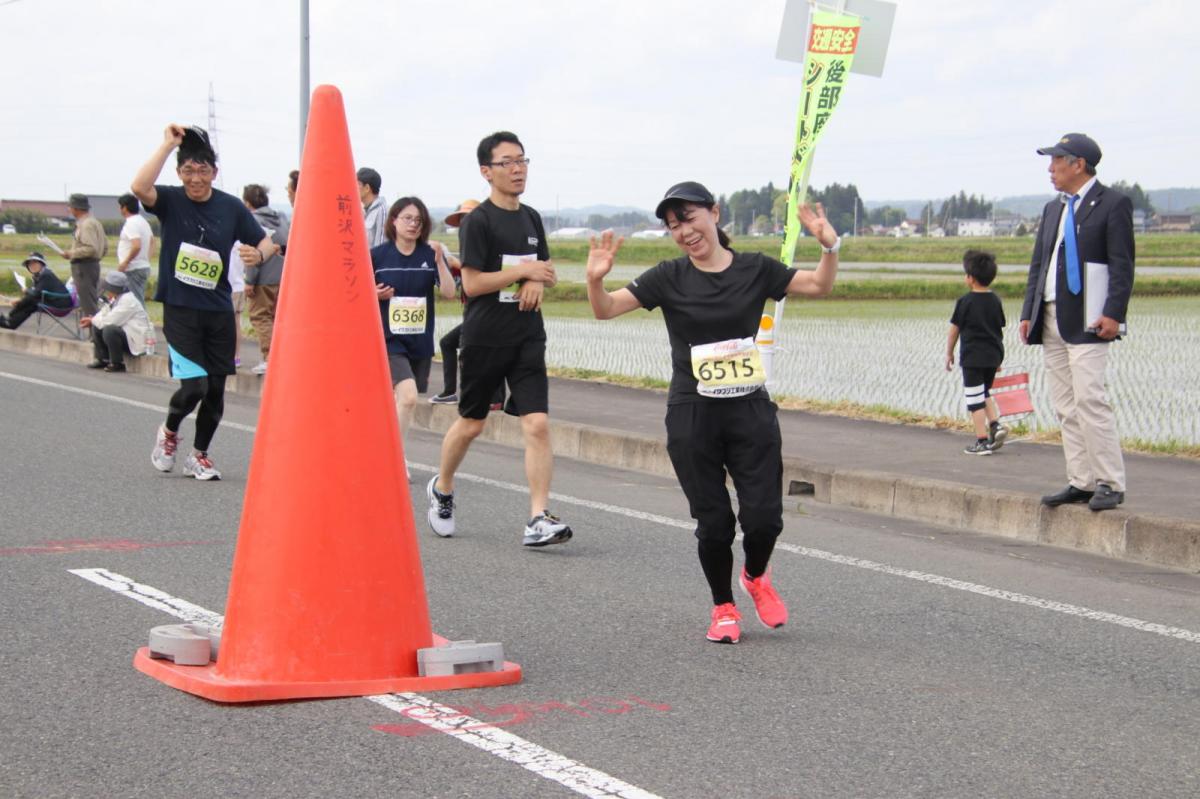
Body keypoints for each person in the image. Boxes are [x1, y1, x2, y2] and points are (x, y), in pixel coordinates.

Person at [585, 181, 841, 644]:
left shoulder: (755, 269)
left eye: (689, 217)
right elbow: (605, 310)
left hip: (749, 409)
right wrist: (595, 279)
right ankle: (723, 606)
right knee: (715, 522)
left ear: (714, 214)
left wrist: (830, 246)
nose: (683, 231)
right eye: (672, 224)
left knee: (765, 517)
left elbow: (820, 284)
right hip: (692, 414)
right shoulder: (667, 276)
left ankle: (756, 577)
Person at [426, 131, 570, 547]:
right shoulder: (479, 221)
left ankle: (537, 517)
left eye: (523, 160)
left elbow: (545, 269)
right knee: (471, 423)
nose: (518, 168)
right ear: (487, 172)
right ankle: (444, 488)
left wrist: (538, 281)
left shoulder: (532, 218)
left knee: (538, 424)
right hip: (485, 337)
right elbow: (472, 282)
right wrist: (524, 273)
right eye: (508, 162)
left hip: (527, 335)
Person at [131, 123, 272, 481]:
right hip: (180, 309)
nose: (196, 178)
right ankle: (169, 432)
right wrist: (166, 145)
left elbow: (267, 242)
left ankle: (200, 455)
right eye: (189, 171)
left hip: (218, 310)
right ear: (179, 173)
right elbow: (138, 188)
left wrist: (258, 253)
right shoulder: (170, 200)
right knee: (194, 386)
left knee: (216, 389)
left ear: (214, 172)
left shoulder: (230, 207)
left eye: (203, 171)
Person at [1020, 133, 1133, 512]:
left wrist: (1114, 313)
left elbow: (1122, 265)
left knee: (1090, 399)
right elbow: (1039, 264)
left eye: (1056, 161)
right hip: (1050, 314)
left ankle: (1110, 482)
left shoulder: (1112, 204)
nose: (1050, 169)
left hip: (1089, 319)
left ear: (1078, 164)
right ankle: (1081, 480)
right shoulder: (1054, 208)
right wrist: (1027, 313)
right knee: (1065, 405)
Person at [371, 197, 455, 475]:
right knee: (407, 398)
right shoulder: (377, 256)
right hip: (388, 339)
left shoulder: (427, 255)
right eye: (407, 218)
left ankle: (381, 445)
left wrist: (440, 259)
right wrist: (375, 294)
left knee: (403, 399)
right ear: (393, 220)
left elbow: (449, 292)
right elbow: (352, 294)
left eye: (418, 220)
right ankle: (394, 457)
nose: (413, 224)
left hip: (419, 340)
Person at [945, 249, 1008, 455]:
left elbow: (954, 330)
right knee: (984, 392)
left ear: (971, 279)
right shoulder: (995, 300)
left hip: (973, 357)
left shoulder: (965, 302)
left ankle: (981, 441)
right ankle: (996, 425)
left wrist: (949, 353)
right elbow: (999, 330)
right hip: (992, 355)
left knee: (974, 401)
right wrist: (998, 357)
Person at [241, 184, 290, 375]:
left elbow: (252, 253)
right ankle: (282, 356)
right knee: (277, 318)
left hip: (262, 276)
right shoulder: (282, 218)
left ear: (247, 202)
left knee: (260, 317)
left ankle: (270, 357)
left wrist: (249, 280)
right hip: (283, 275)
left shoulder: (252, 220)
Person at [81, 271, 154, 373]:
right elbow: (103, 313)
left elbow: (110, 321)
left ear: (114, 289)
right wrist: (93, 320)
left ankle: (117, 362)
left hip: (136, 340)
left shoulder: (128, 301)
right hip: (126, 335)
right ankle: (103, 359)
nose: (106, 291)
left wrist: (92, 320)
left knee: (109, 329)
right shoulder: (116, 298)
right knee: (96, 326)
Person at [60, 193, 107, 317]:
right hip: (92, 265)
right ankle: (95, 334)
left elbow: (91, 248)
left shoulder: (86, 225)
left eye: (70, 206)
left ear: (76, 208)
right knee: (91, 301)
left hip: (84, 267)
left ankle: (94, 335)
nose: (69, 209)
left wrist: (71, 253)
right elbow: (104, 247)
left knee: (88, 305)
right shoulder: (95, 222)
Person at [0, 252, 71, 330]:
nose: (32, 266)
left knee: (32, 302)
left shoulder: (46, 275)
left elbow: (35, 294)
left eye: (35, 263)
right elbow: (36, 293)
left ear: (42, 264)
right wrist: (22, 299)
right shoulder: (40, 275)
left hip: (61, 306)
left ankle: (9, 320)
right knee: (31, 301)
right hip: (55, 301)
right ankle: (10, 321)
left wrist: (25, 293)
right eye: (30, 264)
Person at [115, 193, 154, 303]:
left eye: (120, 206)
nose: (119, 209)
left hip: (133, 268)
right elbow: (152, 242)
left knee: (134, 302)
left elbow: (136, 245)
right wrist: (146, 259)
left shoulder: (131, 223)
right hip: (142, 266)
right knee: (135, 299)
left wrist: (125, 262)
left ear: (125, 207)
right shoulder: (143, 221)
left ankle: (141, 320)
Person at [358, 167, 388, 248]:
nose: (353, 188)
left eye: (356, 184)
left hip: (374, 260)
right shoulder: (364, 212)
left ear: (367, 188)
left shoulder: (381, 211)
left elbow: (381, 246)